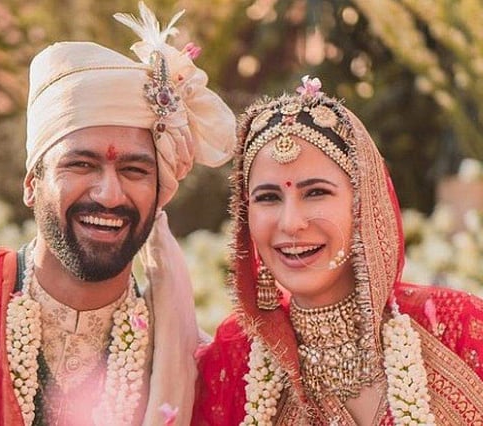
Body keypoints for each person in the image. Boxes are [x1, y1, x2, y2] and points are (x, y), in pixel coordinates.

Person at [0, 2, 236, 425]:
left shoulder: (181, 365)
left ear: (160, 193)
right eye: (81, 165)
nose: (109, 194)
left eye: (134, 170)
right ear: (32, 183)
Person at [192, 76, 483, 425]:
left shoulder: (457, 327)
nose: (291, 223)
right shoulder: (233, 363)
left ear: (363, 203)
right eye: (268, 197)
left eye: (316, 192)